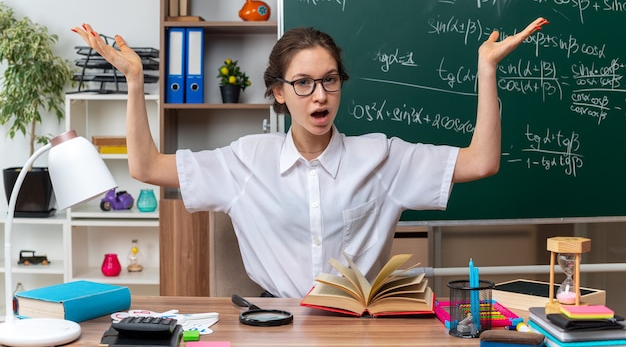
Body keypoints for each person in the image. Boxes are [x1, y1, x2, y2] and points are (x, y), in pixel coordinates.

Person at [72, 17, 548, 298]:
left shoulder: (380, 156)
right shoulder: (247, 159)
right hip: (275, 322)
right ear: (279, 92)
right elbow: (147, 168)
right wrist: (136, 82)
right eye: (303, 83)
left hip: (360, 327)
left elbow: (482, 161)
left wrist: (486, 71)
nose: (319, 96)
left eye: (330, 79)